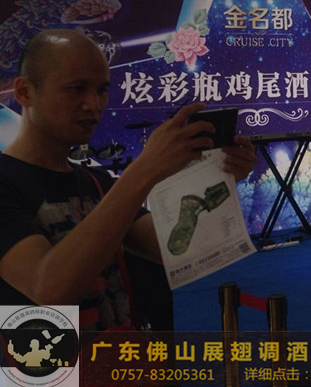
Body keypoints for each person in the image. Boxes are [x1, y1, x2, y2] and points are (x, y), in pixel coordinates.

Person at [0, 29, 257, 330]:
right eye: (76, 89)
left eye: (101, 90)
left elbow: (178, 249)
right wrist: (144, 170)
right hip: (44, 358)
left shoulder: (95, 182)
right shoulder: (7, 182)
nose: (93, 104)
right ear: (24, 92)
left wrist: (218, 178)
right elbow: (49, 289)